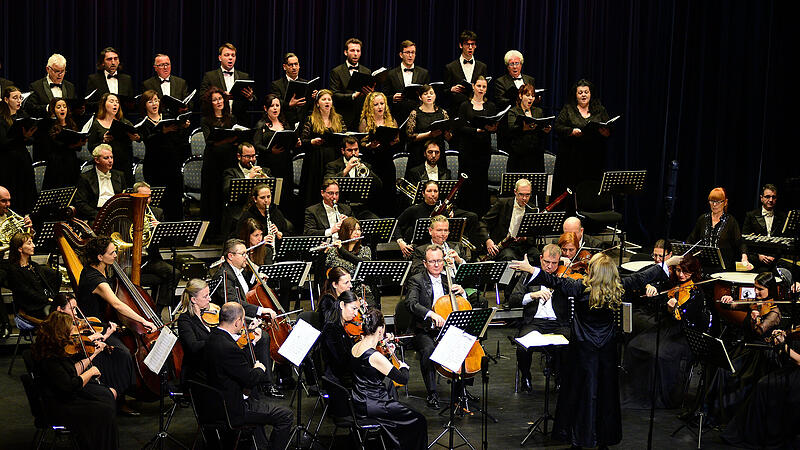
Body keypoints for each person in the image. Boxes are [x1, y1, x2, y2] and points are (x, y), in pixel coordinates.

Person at [509, 252, 666, 448]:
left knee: (580, 393)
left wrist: (531, 269)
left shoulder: (579, 287)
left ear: (592, 271)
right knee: (605, 394)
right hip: (607, 351)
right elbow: (642, 277)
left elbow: (553, 281)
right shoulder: (619, 287)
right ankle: (603, 440)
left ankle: (578, 440)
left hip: (582, 351)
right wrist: (666, 264)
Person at [77, 235, 158, 414]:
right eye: (112, 252)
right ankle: (117, 399)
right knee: (123, 353)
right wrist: (143, 320)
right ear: (100, 257)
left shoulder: (101, 271)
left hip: (105, 324)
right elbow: (117, 305)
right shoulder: (94, 279)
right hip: (94, 328)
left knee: (128, 339)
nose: (115, 255)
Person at [622, 255, 710, 409]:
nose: (681, 275)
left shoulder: (697, 293)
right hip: (665, 327)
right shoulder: (671, 285)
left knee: (659, 354)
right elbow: (657, 301)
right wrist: (652, 288)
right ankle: (637, 392)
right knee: (634, 346)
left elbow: (687, 318)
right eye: (678, 270)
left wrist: (674, 310)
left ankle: (657, 397)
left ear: (693, 272)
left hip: (683, 333)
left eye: (686, 272)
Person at [203, 302, 293, 449]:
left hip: (215, 402)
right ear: (237, 321)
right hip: (233, 409)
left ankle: (261, 445)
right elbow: (250, 379)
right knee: (285, 415)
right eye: (243, 320)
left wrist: (253, 342)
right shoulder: (228, 348)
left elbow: (234, 366)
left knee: (259, 405)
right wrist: (260, 368)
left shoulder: (212, 338)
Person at [31, 311, 119, 450]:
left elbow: (70, 372)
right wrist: (91, 372)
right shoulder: (49, 360)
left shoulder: (55, 351)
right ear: (61, 333)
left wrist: (93, 355)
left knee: (105, 397)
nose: (75, 334)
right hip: (58, 406)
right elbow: (70, 386)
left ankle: (100, 443)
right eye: (71, 331)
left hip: (61, 396)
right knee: (104, 409)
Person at [208, 238, 283, 397]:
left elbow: (245, 291)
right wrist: (261, 310)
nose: (246, 257)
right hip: (231, 321)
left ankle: (275, 377)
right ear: (230, 256)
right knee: (263, 337)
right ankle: (265, 383)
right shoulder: (224, 276)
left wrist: (255, 279)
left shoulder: (238, 271)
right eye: (242, 254)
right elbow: (234, 303)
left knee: (265, 333)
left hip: (241, 317)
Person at [350, 307, 428, 449]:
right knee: (419, 419)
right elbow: (402, 379)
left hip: (359, 400)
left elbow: (370, 372)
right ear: (380, 329)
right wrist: (404, 367)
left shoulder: (355, 347)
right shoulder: (375, 356)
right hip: (375, 404)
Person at [404, 244, 467, 408]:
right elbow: (411, 303)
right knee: (428, 350)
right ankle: (432, 393)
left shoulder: (448, 279)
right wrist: (430, 314)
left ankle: (460, 392)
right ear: (425, 263)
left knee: (463, 344)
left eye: (439, 260)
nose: (437, 264)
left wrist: (463, 293)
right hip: (423, 329)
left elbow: (460, 305)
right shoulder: (416, 280)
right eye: (432, 261)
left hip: (447, 330)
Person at [721, 326, 800, 447]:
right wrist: (780, 340)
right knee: (762, 383)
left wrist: (783, 345)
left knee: (766, 385)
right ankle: (748, 433)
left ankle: (765, 435)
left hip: (797, 376)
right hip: (792, 370)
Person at [508, 244, 572, 392]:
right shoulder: (529, 274)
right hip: (534, 322)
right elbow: (513, 300)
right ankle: (526, 376)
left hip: (558, 322)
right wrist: (532, 295)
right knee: (522, 346)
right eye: (546, 262)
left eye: (554, 263)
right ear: (541, 258)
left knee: (569, 343)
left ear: (559, 261)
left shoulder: (563, 276)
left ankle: (560, 378)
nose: (549, 266)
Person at [137, 90, 191, 220]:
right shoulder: (143, 122)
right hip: (154, 167)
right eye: (150, 101)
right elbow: (149, 142)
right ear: (145, 105)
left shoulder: (168, 117)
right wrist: (163, 132)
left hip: (172, 165)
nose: (154, 104)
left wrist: (183, 127)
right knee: (159, 201)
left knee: (175, 201)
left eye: (156, 100)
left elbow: (179, 141)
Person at [553, 79, 612, 197]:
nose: (583, 95)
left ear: (590, 94)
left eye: (586, 92)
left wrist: (605, 132)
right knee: (573, 189)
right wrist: (571, 131)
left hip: (594, 157)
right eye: (580, 93)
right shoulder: (568, 109)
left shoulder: (600, 109)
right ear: (575, 95)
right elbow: (558, 126)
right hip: (572, 158)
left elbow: (608, 128)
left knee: (592, 189)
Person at [394, 180, 479, 257]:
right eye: (429, 191)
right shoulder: (414, 209)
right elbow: (396, 224)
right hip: (420, 248)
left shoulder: (443, 210)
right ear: (423, 193)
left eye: (435, 191)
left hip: (439, 247)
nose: (433, 194)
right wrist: (400, 242)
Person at [132, 182, 181, 315]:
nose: (147, 201)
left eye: (149, 197)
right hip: (130, 259)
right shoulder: (126, 212)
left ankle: (157, 311)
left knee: (174, 273)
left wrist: (160, 230)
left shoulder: (157, 213)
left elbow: (165, 242)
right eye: (144, 197)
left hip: (150, 259)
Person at [253, 93, 301, 218]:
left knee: (285, 193)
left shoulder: (285, 124)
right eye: (272, 106)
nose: (275, 108)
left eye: (277, 105)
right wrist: (269, 150)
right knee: (272, 193)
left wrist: (296, 143)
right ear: (265, 108)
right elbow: (256, 144)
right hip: (269, 164)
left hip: (285, 164)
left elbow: (290, 143)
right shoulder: (261, 125)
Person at [200, 86, 239, 238]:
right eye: (215, 100)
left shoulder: (231, 118)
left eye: (220, 99)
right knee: (213, 196)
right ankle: (211, 234)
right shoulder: (206, 120)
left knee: (227, 195)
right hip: (213, 162)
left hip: (229, 160)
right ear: (210, 103)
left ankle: (227, 232)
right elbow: (209, 141)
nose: (218, 102)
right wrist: (228, 139)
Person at [456, 75, 497, 215]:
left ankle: (481, 215)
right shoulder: (465, 105)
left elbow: (494, 125)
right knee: (466, 182)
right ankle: (464, 213)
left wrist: (492, 128)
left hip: (483, 151)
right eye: (479, 86)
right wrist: (476, 130)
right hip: (467, 151)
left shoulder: (490, 106)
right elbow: (460, 127)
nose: (481, 89)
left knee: (481, 182)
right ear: (473, 86)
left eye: (484, 87)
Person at [299, 89, 347, 205]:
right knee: (315, 188)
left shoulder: (338, 118)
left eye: (329, 99)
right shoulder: (311, 119)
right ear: (317, 103)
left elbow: (345, 136)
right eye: (324, 99)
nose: (327, 102)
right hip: (316, 159)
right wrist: (312, 142)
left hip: (334, 156)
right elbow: (303, 141)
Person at [687, 187, 751, 271]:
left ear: (725, 202)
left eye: (718, 202)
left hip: (723, 268)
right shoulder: (703, 219)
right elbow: (691, 239)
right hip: (702, 266)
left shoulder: (731, 221)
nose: (714, 205)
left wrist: (744, 257)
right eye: (712, 201)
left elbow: (740, 242)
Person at [86, 92, 140, 187]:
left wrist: (135, 137)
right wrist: (103, 141)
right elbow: (91, 147)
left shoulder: (125, 122)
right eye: (111, 101)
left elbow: (137, 137)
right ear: (104, 104)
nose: (115, 104)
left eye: (117, 102)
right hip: (106, 165)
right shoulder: (96, 124)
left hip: (124, 164)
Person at [358, 91, 398, 216]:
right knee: (375, 194)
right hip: (372, 163)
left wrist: (394, 141)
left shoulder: (391, 120)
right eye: (376, 105)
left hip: (387, 162)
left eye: (382, 103)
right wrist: (370, 146)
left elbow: (397, 139)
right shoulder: (365, 122)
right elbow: (361, 144)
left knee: (389, 194)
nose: (380, 107)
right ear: (370, 107)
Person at [481, 178, 540, 262]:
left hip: (523, 246)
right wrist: (488, 240)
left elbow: (534, 235)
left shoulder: (532, 209)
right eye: (521, 194)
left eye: (527, 195)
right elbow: (483, 223)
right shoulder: (502, 203)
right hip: (505, 246)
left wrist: (525, 238)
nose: (524, 198)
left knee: (537, 255)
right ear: (515, 192)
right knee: (509, 257)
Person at [4, 232, 60, 320]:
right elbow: (27, 293)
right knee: (59, 316)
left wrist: (53, 297)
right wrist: (47, 300)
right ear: (20, 249)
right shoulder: (14, 270)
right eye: (29, 243)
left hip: (42, 303)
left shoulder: (33, 265)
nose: (33, 245)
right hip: (31, 308)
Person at [0, 86, 37, 214]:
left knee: (26, 192)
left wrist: (27, 137)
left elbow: (32, 140)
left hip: (23, 158)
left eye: (20, 98)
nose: (19, 101)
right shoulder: (1, 119)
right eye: (15, 98)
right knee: (13, 193)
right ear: (6, 100)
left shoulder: (23, 116)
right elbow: (3, 143)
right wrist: (23, 137)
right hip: (8, 162)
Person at [323, 136, 383, 215]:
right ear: (343, 151)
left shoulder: (365, 165)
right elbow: (327, 182)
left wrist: (368, 172)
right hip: (341, 208)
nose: (354, 153)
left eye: (356, 150)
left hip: (361, 209)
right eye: (350, 150)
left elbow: (379, 186)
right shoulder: (333, 165)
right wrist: (346, 170)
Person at [324, 217, 377, 307]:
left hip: (360, 290)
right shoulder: (333, 251)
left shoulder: (365, 250)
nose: (357, 233)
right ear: (345, 231)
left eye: (359, 230)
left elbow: (362, 263)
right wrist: (323, 254)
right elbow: (329, 272)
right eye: (353, 230)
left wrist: (342, 250)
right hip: (340, 292)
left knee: (371, 309)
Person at [221, 142, 270, 237]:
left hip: (260, 209)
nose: (252, 160)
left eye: (254, 156)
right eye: (248, 157)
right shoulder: (230, 172)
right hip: (239, 209)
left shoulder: (265, 171)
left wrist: (265, 180)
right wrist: (248, 178)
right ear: (239, 156)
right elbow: (227, 192)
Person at [199, 43, 255, 125]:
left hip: (240, 121)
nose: (230, 58)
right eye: (227, 55)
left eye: (233, 55)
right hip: (217, 121)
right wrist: (222, 96)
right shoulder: (210, 76)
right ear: (220, 58)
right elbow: (202, 98)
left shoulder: (244, 76)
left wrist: (250, 97)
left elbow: (254, 102)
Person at [404, 84, 452, 171]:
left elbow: (449, 138)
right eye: (425, 94)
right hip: (419, 151)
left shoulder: (442, 112)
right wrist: (429, 135)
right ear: (420, 97)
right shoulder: (415, 113)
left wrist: (447, 134)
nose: (429, 96)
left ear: (435, 96)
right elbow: (410, 137)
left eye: (431, 93)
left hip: (438, 151)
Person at [73, 144, 127, 221]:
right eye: (106, 158)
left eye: (111, 157)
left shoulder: (119, 175)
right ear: (97, 160)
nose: (110, 161)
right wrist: (99, 216)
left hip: (116, 213)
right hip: (95, 214)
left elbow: (124, 197)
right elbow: (81, 203)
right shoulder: (85, 177)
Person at [40, 97, 85, 189]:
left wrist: (80, 142)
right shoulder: (49, 125)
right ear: (53, 110)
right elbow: (49, 147)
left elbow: (78, 148)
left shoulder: (71, 124)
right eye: (59, 107)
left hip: (71, 162)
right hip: (56, 163)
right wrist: (72, 145)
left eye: (64, 106)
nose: (62, 109)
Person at [329, 38, 373, 130]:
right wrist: (352, 96)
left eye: (358, 51)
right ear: (346, 52)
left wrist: (370, 93)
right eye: (352, 50)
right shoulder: (336, 71)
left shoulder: (366, 71)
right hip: (344, 117)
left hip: (362, 117)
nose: (355, 54)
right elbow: (334, 94)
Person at [506, 83, 551, 173]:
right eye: (527, 95)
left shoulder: (538, 111)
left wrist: (545, 130)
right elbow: (511, 129)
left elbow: (540, 132)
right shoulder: (513, 111)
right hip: (519, 155)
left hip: (536, 155)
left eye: (533, 96)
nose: (531, 98)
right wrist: (523, 128)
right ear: (520, 96)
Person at [175, 278, 213, 383]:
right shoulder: (184, 320)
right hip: (197, 372)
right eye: (205, 296)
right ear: (194, 300)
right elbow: (193, 346)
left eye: (209, 295)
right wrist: (217, 340)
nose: (209, 299)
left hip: (211, 364)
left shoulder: (209, 314)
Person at [382, 40, 430, 124]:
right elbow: (384, 95)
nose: (410, 56)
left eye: (413, 52)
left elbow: (427, 93)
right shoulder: (391, 74)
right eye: (407, 52)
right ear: (401, 55)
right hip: (398, 116)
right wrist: (393, 98)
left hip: (418, 116)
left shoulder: (423, 73)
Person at [742, 183, 786, 271]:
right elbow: (744, 239)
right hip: (756, 259)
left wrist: (774, 256)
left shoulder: (783, 217)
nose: (771, 200)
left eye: (773, 197)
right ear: (761, 198)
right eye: (767, 197)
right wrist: (759, 254)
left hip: (775, 260)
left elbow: (784, 240)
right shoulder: (751, 215)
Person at [443, 30, 488, 112]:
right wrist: (451, 89)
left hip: (477, 109)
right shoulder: (450, 67)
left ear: (475, 46)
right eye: (467, 44)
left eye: (472, 44)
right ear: (461, 45)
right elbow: (444, 91)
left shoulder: (482, 67)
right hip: (457, 109)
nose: (470, 47)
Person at [270, 53, 316, 127]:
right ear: (284, 67)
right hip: (285, 122)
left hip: (304, 123)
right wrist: (289, 104)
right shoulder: (277, 85)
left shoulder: (306, 83)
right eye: (290, 65)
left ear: (299, 66)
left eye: (296, 64)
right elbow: (275, 103)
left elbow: (309, 105)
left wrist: (314, 97)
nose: (294, 67)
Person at [25, 53, 78, 120]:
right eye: (57, 71)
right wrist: (47, 108)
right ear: (48, 69)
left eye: (63, 71)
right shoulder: (36, 86)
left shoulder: (70, 87)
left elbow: (74, 108)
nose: (60, 75)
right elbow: (30, 108)